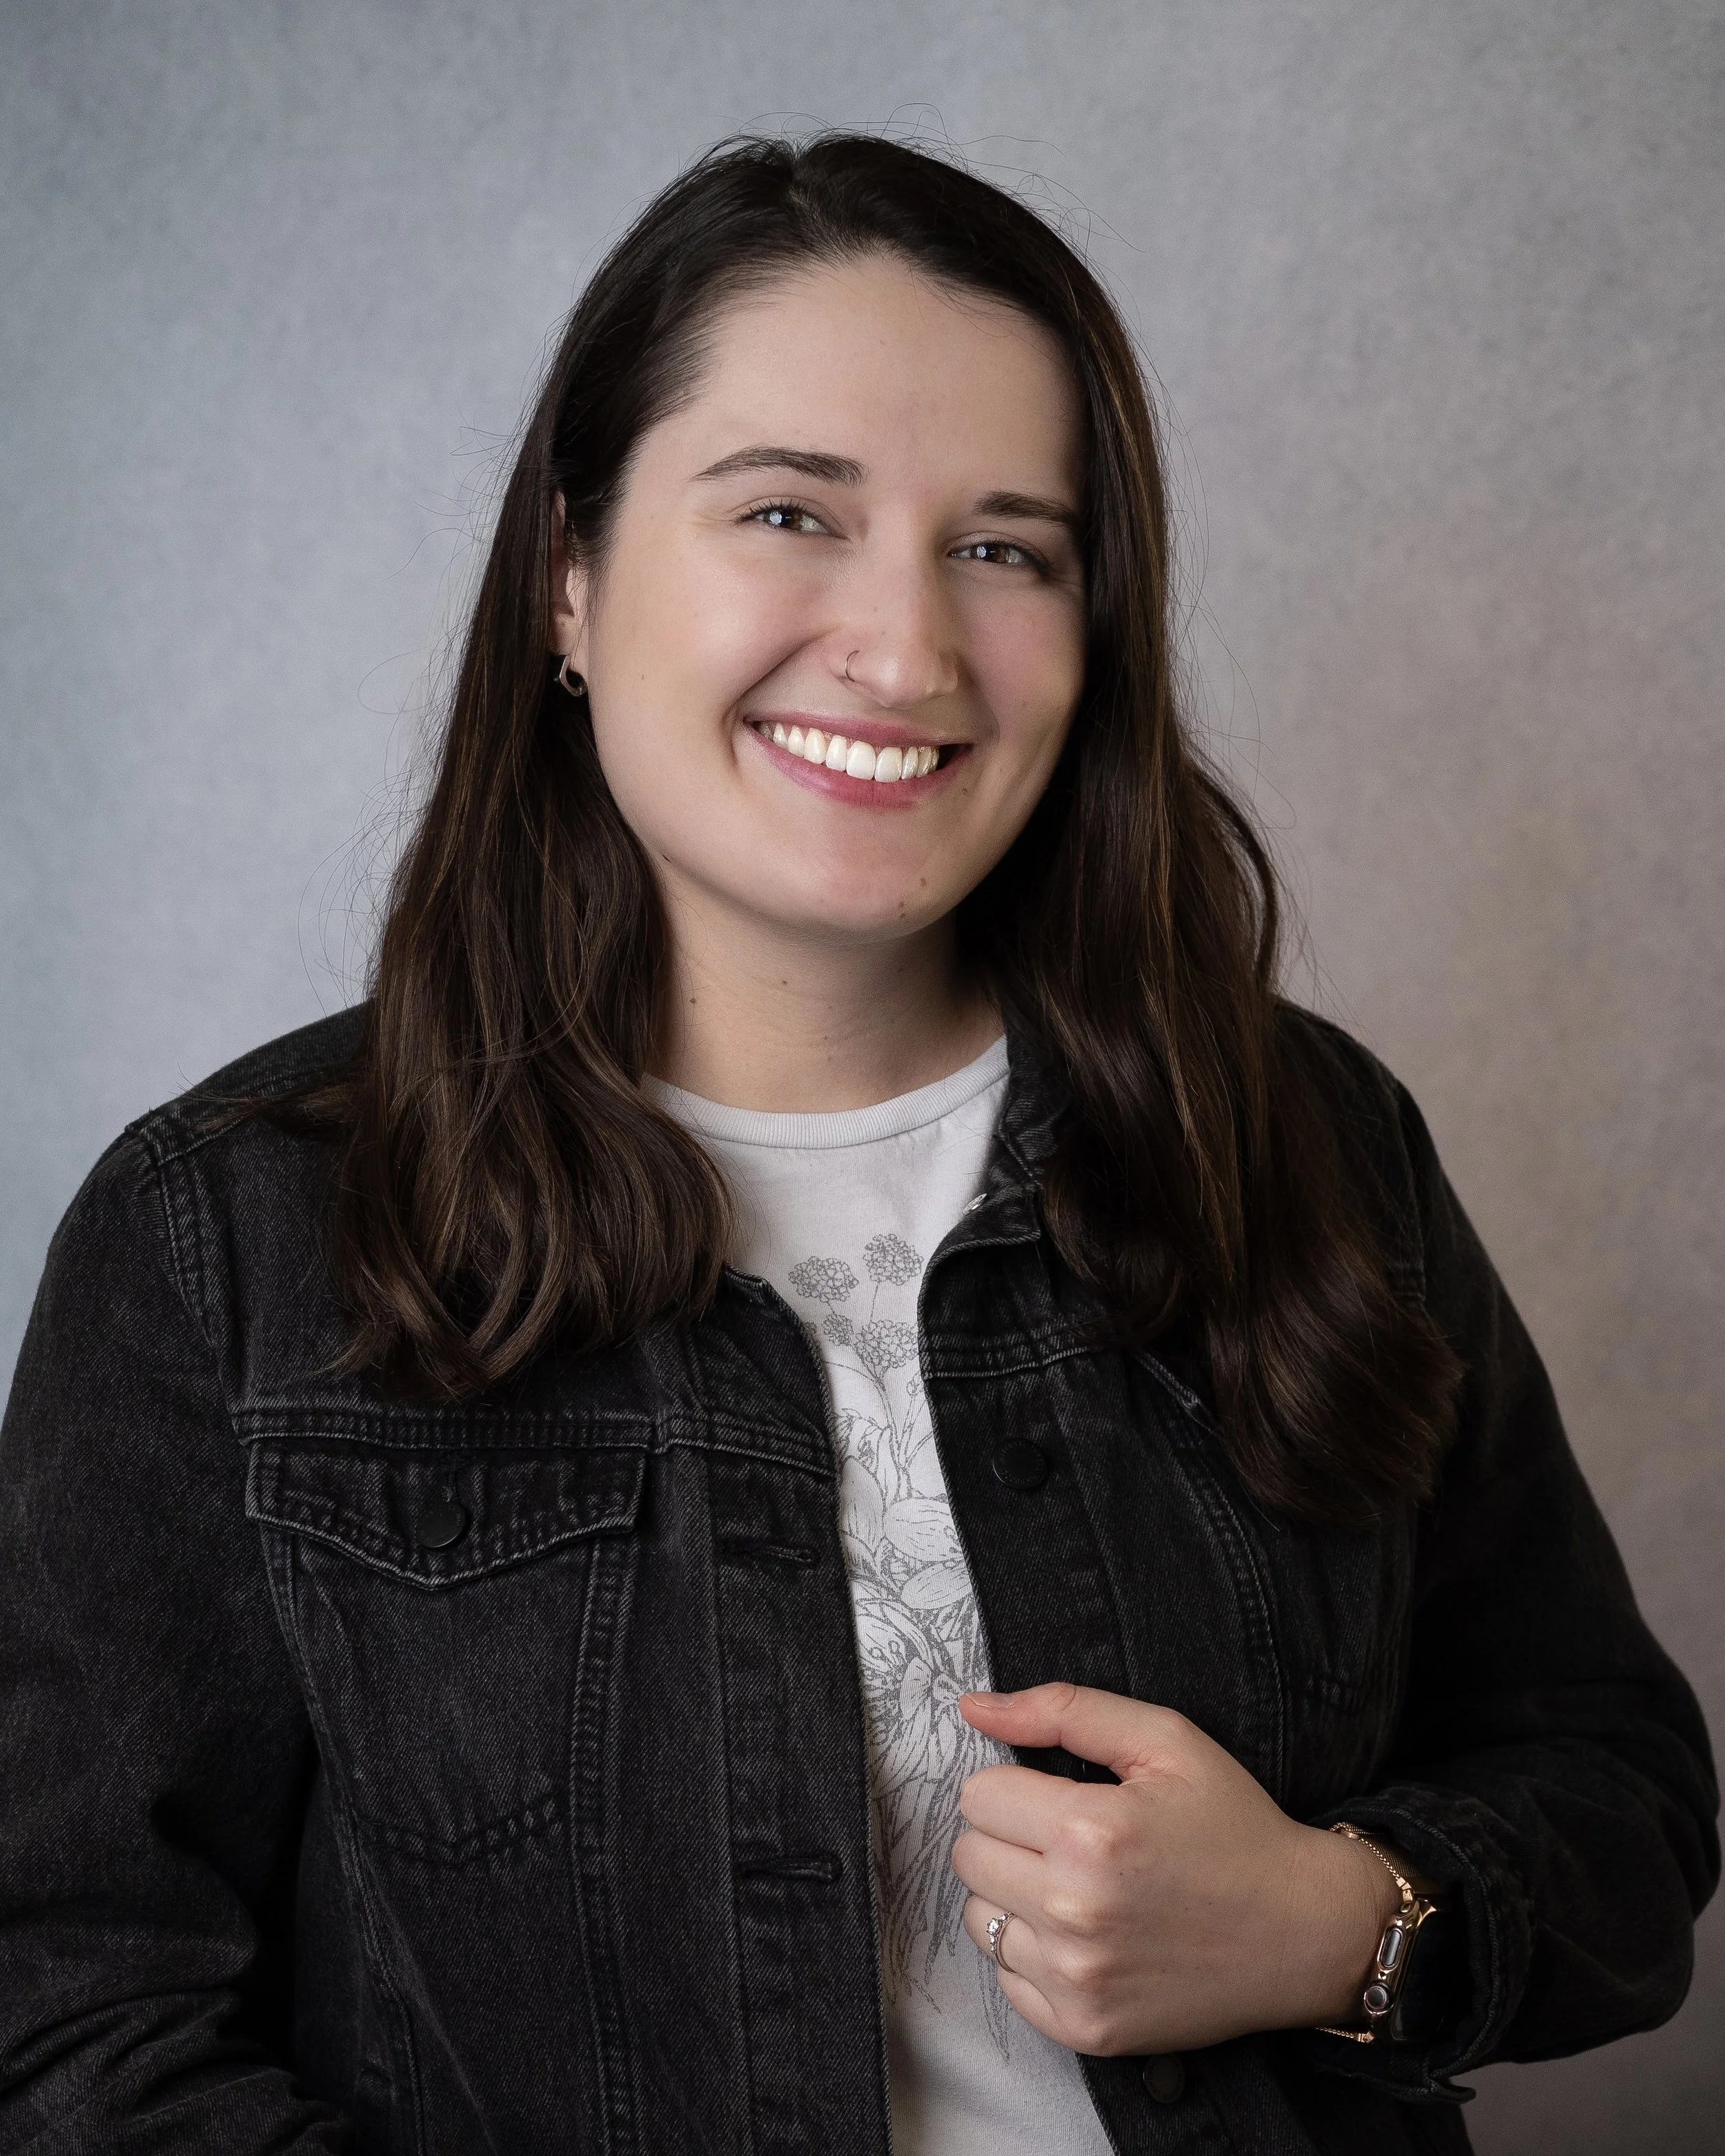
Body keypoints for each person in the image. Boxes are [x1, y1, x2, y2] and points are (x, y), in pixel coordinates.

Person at [0, 132, 1714, 2156]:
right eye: (789, 512)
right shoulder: (226, 1235)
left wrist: (1335, 1923)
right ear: (570, 577)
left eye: (1007, 548)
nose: (905, 652)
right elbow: (67, 2019)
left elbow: (1619, 1797)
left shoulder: (1304, 1139)